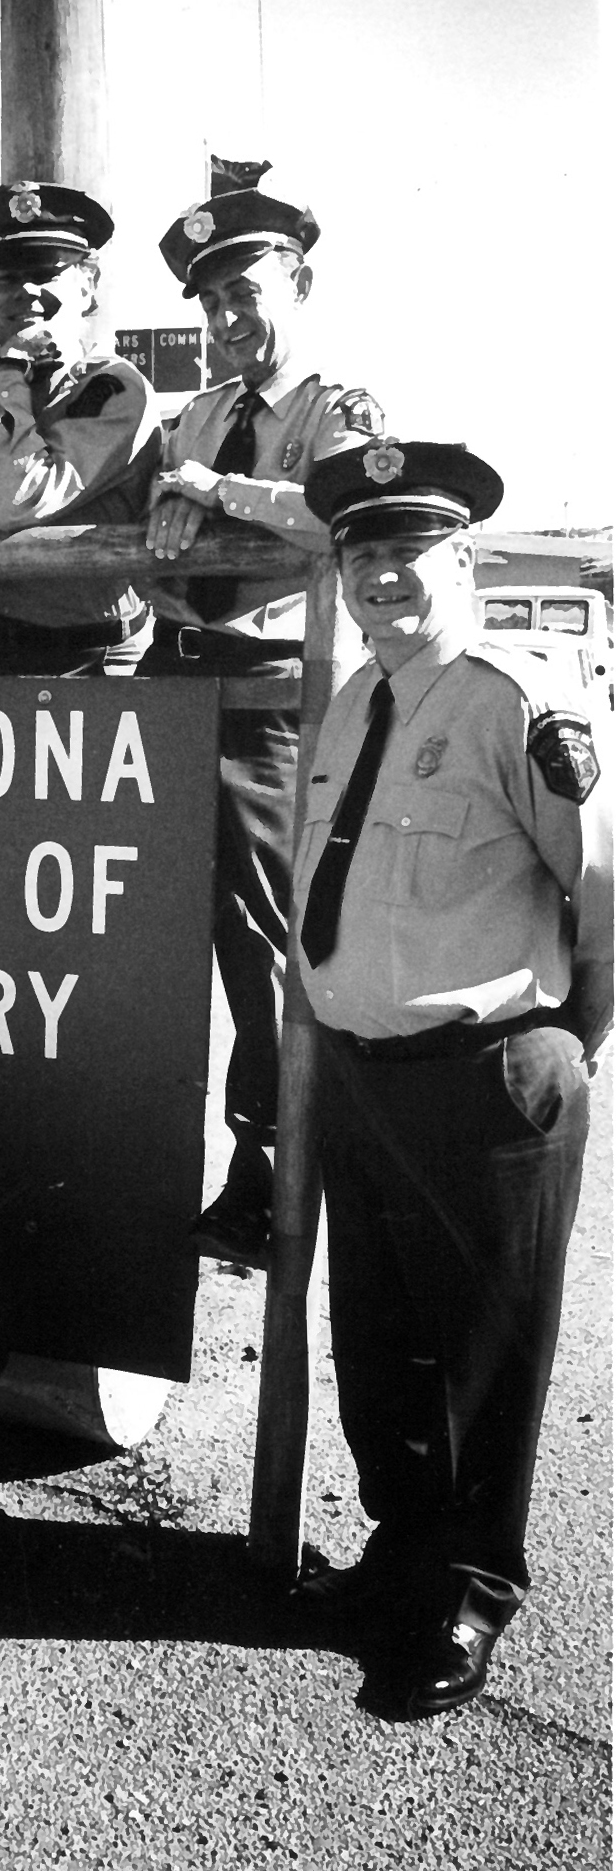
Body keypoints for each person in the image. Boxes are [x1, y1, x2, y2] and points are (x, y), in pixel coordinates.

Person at [292, 441, 611, 1716]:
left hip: (489, 1079)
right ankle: (399, 1554)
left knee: (481, 1362)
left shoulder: (514, 699)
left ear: (461, 559)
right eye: (360, 554)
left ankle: (470, 1594)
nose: (380, 576)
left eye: (406, 550)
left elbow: (604, 907)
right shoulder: (356, 697)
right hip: (364, 1077)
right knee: (378, 1351)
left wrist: (555, 1052)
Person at [139, 171, 385, 1268]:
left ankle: (272, 1169)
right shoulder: (193, 410)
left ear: (301, 282)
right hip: (174, 674)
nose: (223, 320)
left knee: (265, 946)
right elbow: (153, 537)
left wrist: (213, 489)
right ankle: (137, 1169)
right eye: (207, 303)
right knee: (146, 936)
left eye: (243, 293)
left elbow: (339, 515)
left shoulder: (338, 408)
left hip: (269, 694)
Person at [0, 180, 163, 676]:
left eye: (45, 274)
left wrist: (9, 375)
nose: (26, 292)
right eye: (6, 278)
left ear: (87, 285)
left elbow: (23, 501)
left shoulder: (115, 388)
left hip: (97, 659)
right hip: (3, 644)